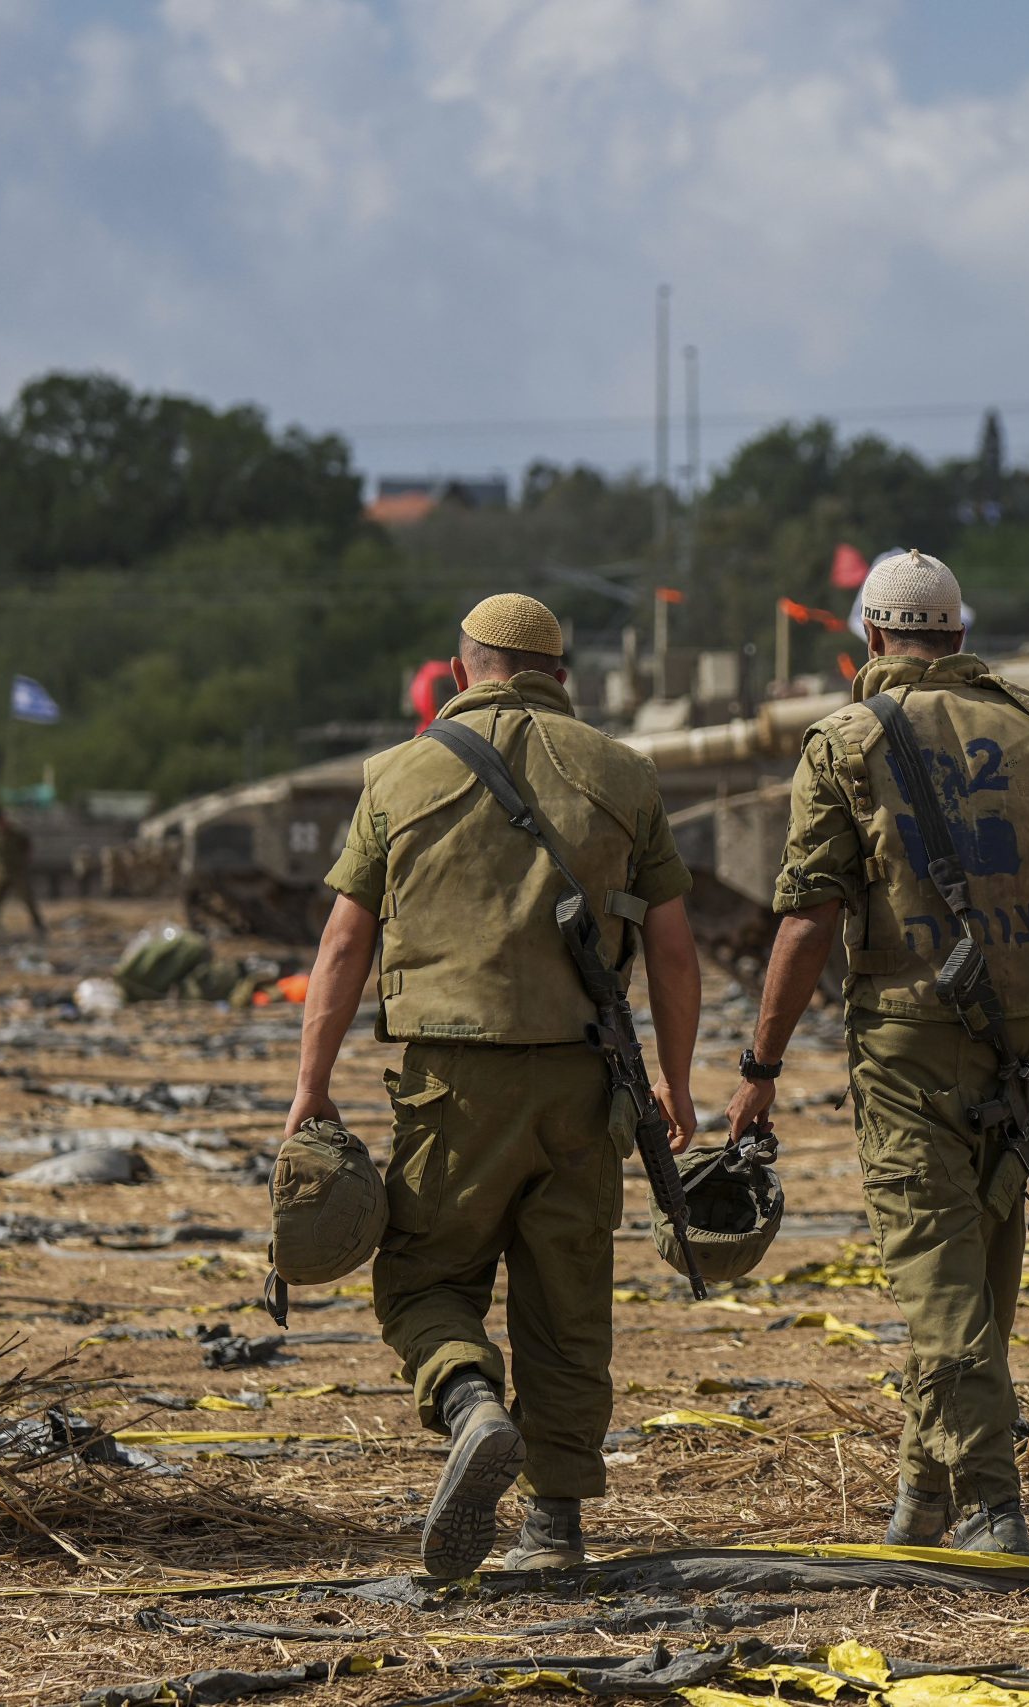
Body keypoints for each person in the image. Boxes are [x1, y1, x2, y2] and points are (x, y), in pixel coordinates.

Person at [722, 550, 1029, 1555]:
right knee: (979, 1278)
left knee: (938, 1282)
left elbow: (808, 920)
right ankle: (924, 1495)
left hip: (906, 1046)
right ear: (959, 632)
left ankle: (991, 1502)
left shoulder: (844, 739)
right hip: (1018, 1039)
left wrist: (760, 1070)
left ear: (870, 635)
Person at [286, 593, 703, 1577]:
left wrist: (312, 1084)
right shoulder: (625, 774)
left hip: (452, 1082)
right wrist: (677, 1084)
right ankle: (555, 1527)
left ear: (459, 668)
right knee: (568, 1302)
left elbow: (343, 943)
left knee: (423, 1278)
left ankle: (469, 1398)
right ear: (560, 675)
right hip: (586, 1083)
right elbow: (675, 950)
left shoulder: (398, 774)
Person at [0, 808, 45, 939]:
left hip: (17, 871)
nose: (0, 823)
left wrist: (25, 860)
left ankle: (39, 926)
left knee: (28, 899)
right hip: (1, 871)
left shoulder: (17, 832)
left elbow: (28, 846)